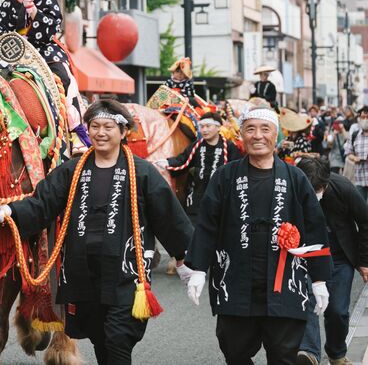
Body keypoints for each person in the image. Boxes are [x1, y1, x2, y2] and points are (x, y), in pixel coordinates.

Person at [0, 99, 193, 364]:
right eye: (95, 126)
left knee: (117, 339)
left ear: (123, 132)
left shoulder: (142, 172)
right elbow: (43, 203)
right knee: (101, 341)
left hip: (126, 277)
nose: (100, 133)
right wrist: (12, 212)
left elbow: (169, 218)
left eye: (108, 127)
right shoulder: (72, 171)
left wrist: (186, 261)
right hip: (84, 276)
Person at [183, 107, 332, 365]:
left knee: (284, 356)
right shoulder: (225, 176)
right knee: (235, 352)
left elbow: (315, 227)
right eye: (250, 129)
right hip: (236, 281)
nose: (257, 136)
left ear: (277, 136)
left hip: (284, 283)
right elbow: (207, 224)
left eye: (265, 129)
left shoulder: (295, 178)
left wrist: (319, 280)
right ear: (241, 135)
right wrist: (198, 269)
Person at [0, 0, 89, 148]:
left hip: (44, 50)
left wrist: (32, 8)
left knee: (63, 76)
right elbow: (1, 35)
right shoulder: (8, 4)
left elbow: (52, 27)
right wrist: (18, 5)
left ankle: (76, 133)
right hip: (13, 57)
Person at [296, 157, 368, 365]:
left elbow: (365, 222)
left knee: (337, 311)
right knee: (307, 303)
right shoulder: (293, 187)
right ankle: (309, 352)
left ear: (326, 183)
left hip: (338, 257)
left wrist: (364, 261)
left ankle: (336, 354)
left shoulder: (343, 188)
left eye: (318, 189)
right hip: (307, 255)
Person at [156, 111, 242, 223]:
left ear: (218, 127)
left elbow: (236, 171)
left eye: (208, 126)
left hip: (220, 194)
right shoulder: (197, 145)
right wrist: (168, 163)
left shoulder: (229, 147)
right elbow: (183, 160)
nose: (204, 130)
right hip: (198, 194)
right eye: (201, 126)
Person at [343, 106, 368, 200]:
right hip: (359, 178)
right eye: (363, 117)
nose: (365, 120)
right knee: (362, 209)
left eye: (367, 117)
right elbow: (348, 152)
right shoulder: (355, 135)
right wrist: (354, 158)